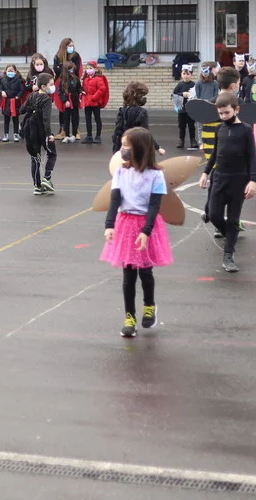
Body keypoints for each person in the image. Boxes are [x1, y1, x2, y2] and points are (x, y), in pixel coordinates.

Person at [101, 127, 173, 338]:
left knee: (145, 271)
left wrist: (146, 231)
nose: (122, 150)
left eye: (126, 146)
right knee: (128, 274)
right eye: (122, 145)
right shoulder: (120, 172)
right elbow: (115, 200)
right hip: (126, 223)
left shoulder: (156, 175)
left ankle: (149, 305)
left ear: (140, 148)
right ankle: (129, 317)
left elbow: (154, 205)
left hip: (145, 224)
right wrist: (109, 225)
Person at [199, 91, 256, 273]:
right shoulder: (219, 129)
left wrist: (253, 180)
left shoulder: (246, 130)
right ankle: (231, 235)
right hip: (219, 178)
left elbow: (252, 157)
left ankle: (228, 254)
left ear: (236, 110)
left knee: (233, 219)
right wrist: (205, 173)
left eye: (227, 113)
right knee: (214, 215)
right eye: (220, 113)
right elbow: (214, 154)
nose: (223, 116)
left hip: (238, 180)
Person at [22, 73, 57, 196]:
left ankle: (37, 186)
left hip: (30, 130)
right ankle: (47, 177)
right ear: (43, 86)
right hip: (41, 131)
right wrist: (49, 134)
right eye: (51, 84)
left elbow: (22, 110)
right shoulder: (46, 99)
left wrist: (31, 109)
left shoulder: (32, 95)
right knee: (52, 153)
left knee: (35, 157)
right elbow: (46, 119)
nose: (53, 87)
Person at [112, 81, 163, 155]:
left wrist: (116, 152)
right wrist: (158, 148)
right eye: (142, 95)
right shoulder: (141, 112)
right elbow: (145, 133)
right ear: (136, 95)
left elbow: (117, 134)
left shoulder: (122, 111)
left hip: (122, 148)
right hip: (137, 148)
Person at [81, 60, 109, 145]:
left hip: (95, 103)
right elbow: (84, 89)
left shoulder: (98, 79)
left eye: (90, 68)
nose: (88, 70)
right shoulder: (85, 79)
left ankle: (98, 136)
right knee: (88, 119)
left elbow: (102, 89)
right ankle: (89, 136)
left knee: (97, 119)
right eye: (87, 68)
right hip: (87, 103)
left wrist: (94, 97)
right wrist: (82, 93)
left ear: (95, 69)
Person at [0, 64, 27, 142]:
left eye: (12, 71)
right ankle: (6, 134)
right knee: (6, 119)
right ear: (6, 71)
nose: (10, 72)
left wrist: (18, 96)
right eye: (9, 71)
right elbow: (0, 88)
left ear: (15, 72)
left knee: (15, 119)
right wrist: (2, 92)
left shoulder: (18, 80)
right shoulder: (3, 80)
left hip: (15, 101)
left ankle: (16, 134)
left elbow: (22, 90)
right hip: (6, 102)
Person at [172, 64, 196, 149]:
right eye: (184, 74)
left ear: (191, 74)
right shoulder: (179, 85)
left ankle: (193, 140)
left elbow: (197, 95)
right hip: (181, 109)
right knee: (182, 126)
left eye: (188, 74)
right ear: (181, 74)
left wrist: (191, 95)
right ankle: (181, 140)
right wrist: (182, 94)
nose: (186, 76)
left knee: (191, 126)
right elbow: (173, 96)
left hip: (191, 109)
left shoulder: (194, 85)